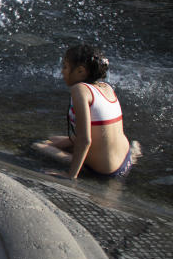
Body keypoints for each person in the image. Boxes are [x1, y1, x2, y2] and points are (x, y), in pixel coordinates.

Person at [32, 44, 136, 179]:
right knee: (52, 139)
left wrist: (71, 175)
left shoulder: (80, 90)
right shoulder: (106, 87)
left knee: (38, 146)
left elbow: (85, 140)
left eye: (65, 67)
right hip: (125, 157)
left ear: (80, 71)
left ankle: (76, 168)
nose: (62, 72)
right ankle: (135, 152)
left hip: (106, 170)